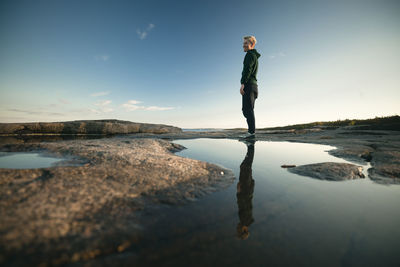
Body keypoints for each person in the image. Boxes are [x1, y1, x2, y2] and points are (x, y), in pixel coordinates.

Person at [239, 35, 261, 139]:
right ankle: (251, 132)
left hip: (249, 85)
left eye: (246, 43)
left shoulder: (249, 55)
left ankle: (251, 133)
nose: (243, 45)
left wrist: (243, 83)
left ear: (252, 44)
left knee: (247, 110)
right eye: (243, 43)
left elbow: (247, 70)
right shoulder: (254, 56)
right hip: (254, 87)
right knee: (248, 109)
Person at [236, 139, 256, 239]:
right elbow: (243, 203)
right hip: (245, 189)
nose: (236, 228)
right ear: (244, 230)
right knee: (245, 167)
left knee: (246, 166)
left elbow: (247, 204)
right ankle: (251, 145)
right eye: (238, 230)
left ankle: (250, 146)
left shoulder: (246, 220)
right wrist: (239, 191)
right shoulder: (244, 220)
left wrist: (252, 185)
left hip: (248, 189)